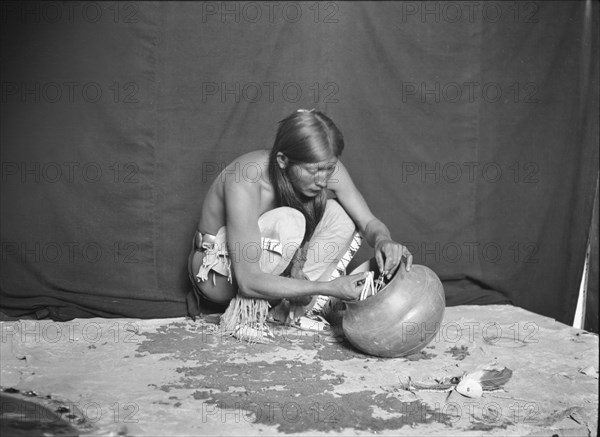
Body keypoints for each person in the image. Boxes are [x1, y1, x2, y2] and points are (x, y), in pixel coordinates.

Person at [187, 109, 413, 329]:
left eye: (329, 169)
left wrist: (384, 239)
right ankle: (250, 315)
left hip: (270, 265)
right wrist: (329, 288)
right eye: (314, 171)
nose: (323, 180)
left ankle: (285, 311)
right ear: (283, 160)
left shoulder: (323, 166)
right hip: (218, 275)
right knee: (291, 220)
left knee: (341, 216)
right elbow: (247, 281)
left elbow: (368, 223)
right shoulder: (246, 177)